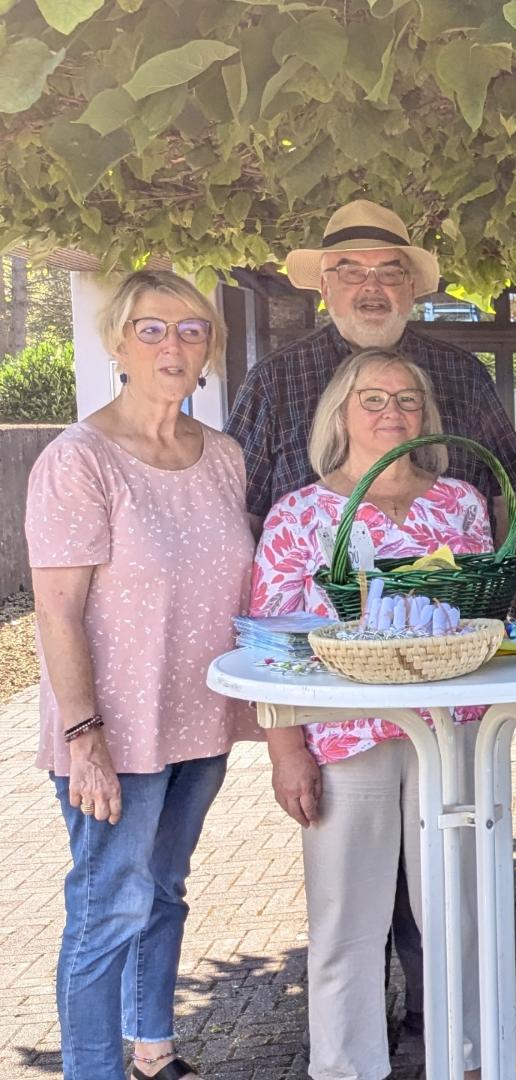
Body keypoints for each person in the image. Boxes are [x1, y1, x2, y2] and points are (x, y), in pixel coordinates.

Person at [27, 270, 256, 1080]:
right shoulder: (78, 460)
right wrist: (83, 736)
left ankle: (153, 1053)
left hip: (199, 716)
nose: (173, 345)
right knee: (107, 908)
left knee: (164, 889)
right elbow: (56, 612)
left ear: (210, 351)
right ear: (119, 343)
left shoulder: (223, 456)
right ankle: (94, 1069)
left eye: (191, 330)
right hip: (114, 730)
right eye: (152, 329)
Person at [249, 347, 491, 1080]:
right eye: (374, 400)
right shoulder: (299, 513)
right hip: (342, 736)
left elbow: (481, 616)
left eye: (408, 399)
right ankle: (347, 1069)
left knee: (458, 914)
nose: (394, 413)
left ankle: (470, 1060)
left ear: (428, 412)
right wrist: (284, 750)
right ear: (341, 414)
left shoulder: (460, 503)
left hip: (451, 732)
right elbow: (271, 645)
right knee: (345, 923)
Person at [227, 198, 516, 524]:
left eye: (390, 273)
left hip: (452, 575)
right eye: (351, 272)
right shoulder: (273, 380)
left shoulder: (465, 374)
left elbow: (505, 495)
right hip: (311, 576)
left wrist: (500, 575)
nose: (372, 287)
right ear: (325, 287)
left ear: (411, 288)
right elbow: (241, 510)